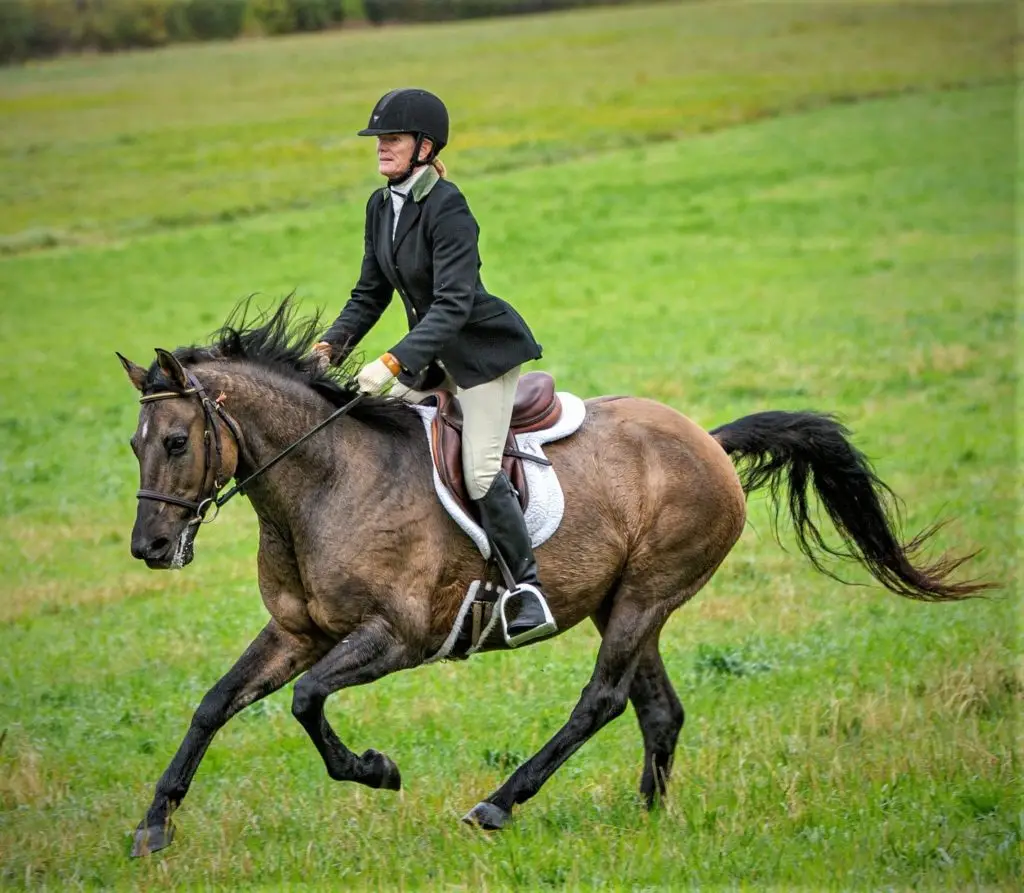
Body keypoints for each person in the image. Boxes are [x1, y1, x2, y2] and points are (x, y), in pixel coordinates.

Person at [312, 88, 555, 646]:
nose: (381, 149)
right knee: (375, 441)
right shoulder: (380, 206)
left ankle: (527, 591)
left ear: (424, 146)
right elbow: (369, 292)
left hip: (479, 358)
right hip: (430, 360)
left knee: (480, 470)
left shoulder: (449, 207)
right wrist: (329, 349)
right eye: (378, 141)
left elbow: (454, 303)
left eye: (391, 140)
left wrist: (394, 361)